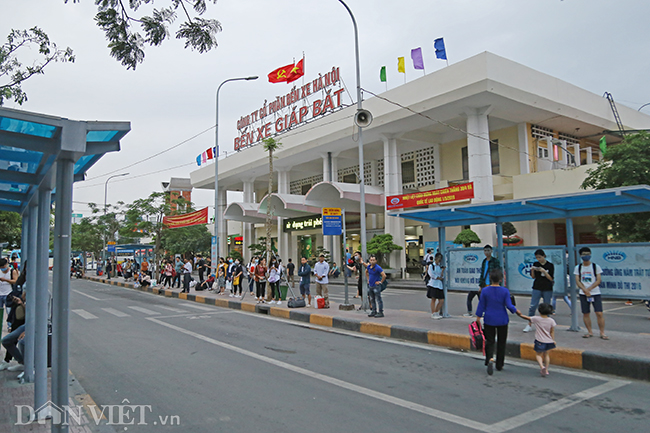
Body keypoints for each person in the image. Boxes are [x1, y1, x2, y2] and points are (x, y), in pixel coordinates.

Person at [475, 268, 520, 375]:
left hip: (489, 318)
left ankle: (489, 358)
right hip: (502, 319)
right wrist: (516, 311)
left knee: (490, 341)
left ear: (490, 278)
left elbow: (481, 305)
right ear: (500, 279)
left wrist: (478, 317)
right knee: (501, 342)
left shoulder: (485, 291)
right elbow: (509, 305)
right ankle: (499, 364)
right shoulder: (505, 291)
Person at [575, 247, 607, 339]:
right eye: (584, 254)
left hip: (595, 292)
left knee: (599, 313)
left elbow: (598, 280)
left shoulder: (595, 267)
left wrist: (589, 289)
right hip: (583, 293)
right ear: (580, 256)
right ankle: (589, 332)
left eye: (588, 254)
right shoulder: (578, 267)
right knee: (586, 313)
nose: (586, 256)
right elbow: (578, 280)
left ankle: (602, 333)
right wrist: (584, 290)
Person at [517, 303, 557, 377]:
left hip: (540, 340)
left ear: (539, 311)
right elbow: (552, 331)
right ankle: (547, 369)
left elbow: (527, 318)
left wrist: (519, 314)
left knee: (538, 355)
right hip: (549, 341)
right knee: (547, 355)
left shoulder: (536, 318)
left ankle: (542, 367)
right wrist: (553, 340)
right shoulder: (551, 321)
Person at [465, 245, 501, 317]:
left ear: (491, 251)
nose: (487, 252)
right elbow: (482, 273)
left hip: (492, 283)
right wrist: (480, 284)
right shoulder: (484, 261)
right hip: (485, 283)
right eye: (485, 251)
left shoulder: (495, 261)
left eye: (488, 251)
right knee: (484, 298)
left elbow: (498, 272)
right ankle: (486, 311)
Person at [524, 249, 555, 332]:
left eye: (540, 257)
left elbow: (551, 278)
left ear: (544, 256)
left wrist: (544, 272)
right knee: (533, 306)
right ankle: (529, 324)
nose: (538, 259)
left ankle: (547, 325)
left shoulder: (550, 265)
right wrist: (532, 270)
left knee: (547, 306)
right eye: (537, 257)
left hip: (547, 287)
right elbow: (533, 277)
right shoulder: (536, 264)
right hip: (537, 286)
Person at [0, 257, 18, 340]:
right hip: (0, 293)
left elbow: (15, 281)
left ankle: (10, 326)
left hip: (8, 293)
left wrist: (6, 280)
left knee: (9, 311)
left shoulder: (12, 271)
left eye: (3, 266)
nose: (3, 268)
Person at [426, 253, 445, 319]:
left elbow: (442, 276)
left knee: (441, 300)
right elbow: (432, 275)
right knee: (433, 299)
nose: (439, 261)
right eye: (438, 259)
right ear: (435, 259)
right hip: (433, 284)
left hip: (439, 285)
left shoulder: (440, 266)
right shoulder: (432, 266)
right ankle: (433, 313)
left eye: (440, 260)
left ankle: (436, 312)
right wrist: (438, 278)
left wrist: (442, 271)